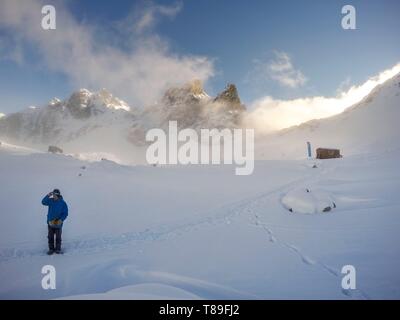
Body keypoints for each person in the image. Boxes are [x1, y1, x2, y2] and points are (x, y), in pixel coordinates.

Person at [41, 189, 69, 255]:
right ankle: (51, 249)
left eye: (55, 195)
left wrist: (61, 220)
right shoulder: (50, 201)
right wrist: (48, 195)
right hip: (50, 223)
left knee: (58, 237)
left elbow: (65, 213)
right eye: (53, 195)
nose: (54, 196)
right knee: (50, 237)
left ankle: (58, 249)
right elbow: (43, 202)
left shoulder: (62, 203)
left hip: (58, 224)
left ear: (58, 195)